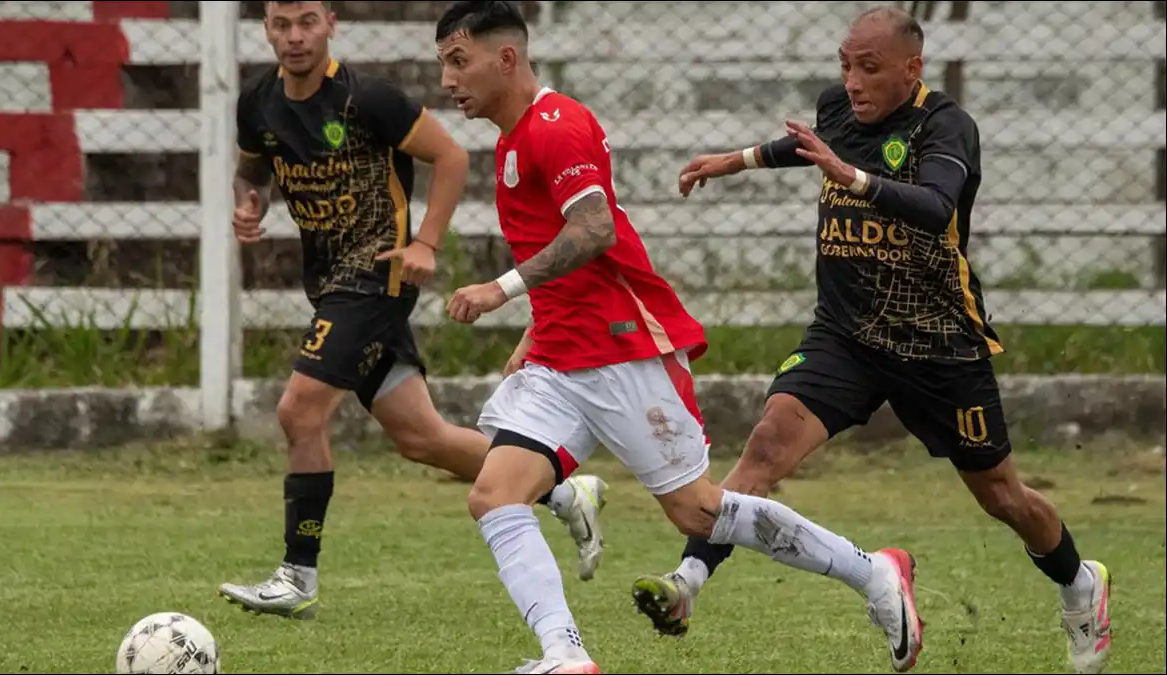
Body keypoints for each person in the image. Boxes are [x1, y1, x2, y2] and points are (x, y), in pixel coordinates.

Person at [435, 3, 929, 673]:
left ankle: (875, 572)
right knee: (494, 494)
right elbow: (571, 254)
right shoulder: (513, 138)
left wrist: (501, 289)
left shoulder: (558, 126)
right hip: (564, 355)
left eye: (457, 61)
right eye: (443, 64)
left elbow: (593, 230)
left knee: (699, 513)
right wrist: (538, 324)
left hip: (622, 348)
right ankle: (565, 654)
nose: (446, 79)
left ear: (506, 58)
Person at [629, 7, 1112, 675]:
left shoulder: (945, 125)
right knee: (766, 445)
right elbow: (804, 145)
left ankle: (1079, 583)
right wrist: (732, 161)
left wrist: (847, 176)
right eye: (845, 65)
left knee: (1004, 496)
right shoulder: (838, 111)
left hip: (938, 343)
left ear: (912, 68)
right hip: (846, 335)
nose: (852, 82)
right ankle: (687, 583)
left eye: (870, 68)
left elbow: (935, 204)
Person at [216, 0, 610, 622]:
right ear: (265, 28)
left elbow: (451, 157)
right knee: (421, 438)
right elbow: (251, 171)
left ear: (330, 25)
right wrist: (249, 203)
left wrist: (425, 241)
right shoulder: (257, 102)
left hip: (376, 276)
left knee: (298, 412)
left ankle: (297, 574)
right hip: (329, 283)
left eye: (307, 22)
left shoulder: (367, 98)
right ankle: (564, 490)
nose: (295, 37)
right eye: (281, 24)